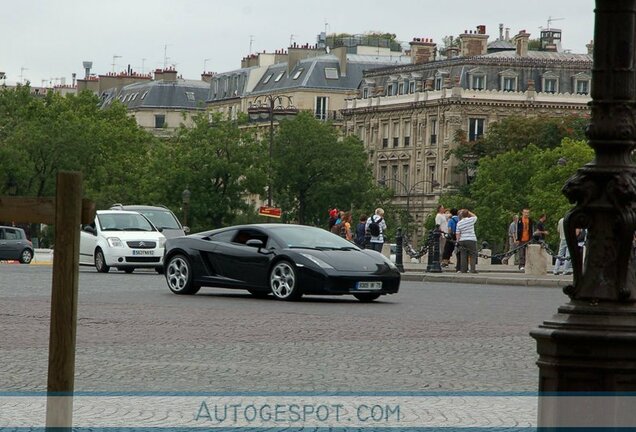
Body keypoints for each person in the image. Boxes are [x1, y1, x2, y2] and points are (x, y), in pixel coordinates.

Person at [456, 209, 478, 273]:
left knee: (463, 255)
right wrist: (468, 211)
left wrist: (457, 241)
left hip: (462, 240)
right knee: (472, 255)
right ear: (468, 214)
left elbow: (457, 233)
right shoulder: (471, 220)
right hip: (471, 239)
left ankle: (463, 269)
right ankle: (472, 269)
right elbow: (475, 216)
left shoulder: (459, 223)